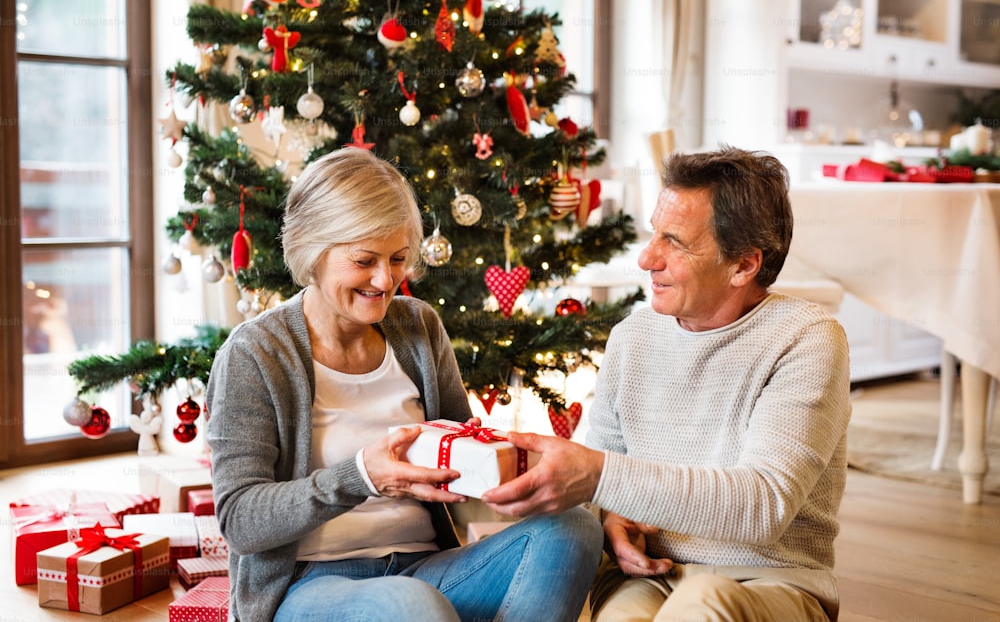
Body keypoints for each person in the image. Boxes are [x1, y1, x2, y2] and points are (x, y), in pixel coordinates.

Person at [206, 147, 602, 622]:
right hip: (310, 584)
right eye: (364, 260)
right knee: (410, 607)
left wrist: (511, 466)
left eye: (397, 259)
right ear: (313, 251)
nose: (385, 279)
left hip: (428, 567)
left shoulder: (418, 328)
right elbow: (240, 521)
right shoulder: (256, 352)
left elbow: (464, 458)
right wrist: (363, 477)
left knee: (573, 529)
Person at [481, 146, 852, 622]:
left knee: (703, 605)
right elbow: (607, 482)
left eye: (675, 242)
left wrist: (600, 476)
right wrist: (612, 519)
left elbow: (763, 507)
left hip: (769, 578)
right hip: (648, 575)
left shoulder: (806, 340)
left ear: (743, 265)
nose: (646, 257)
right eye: (653, 232)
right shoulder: (631, 337)